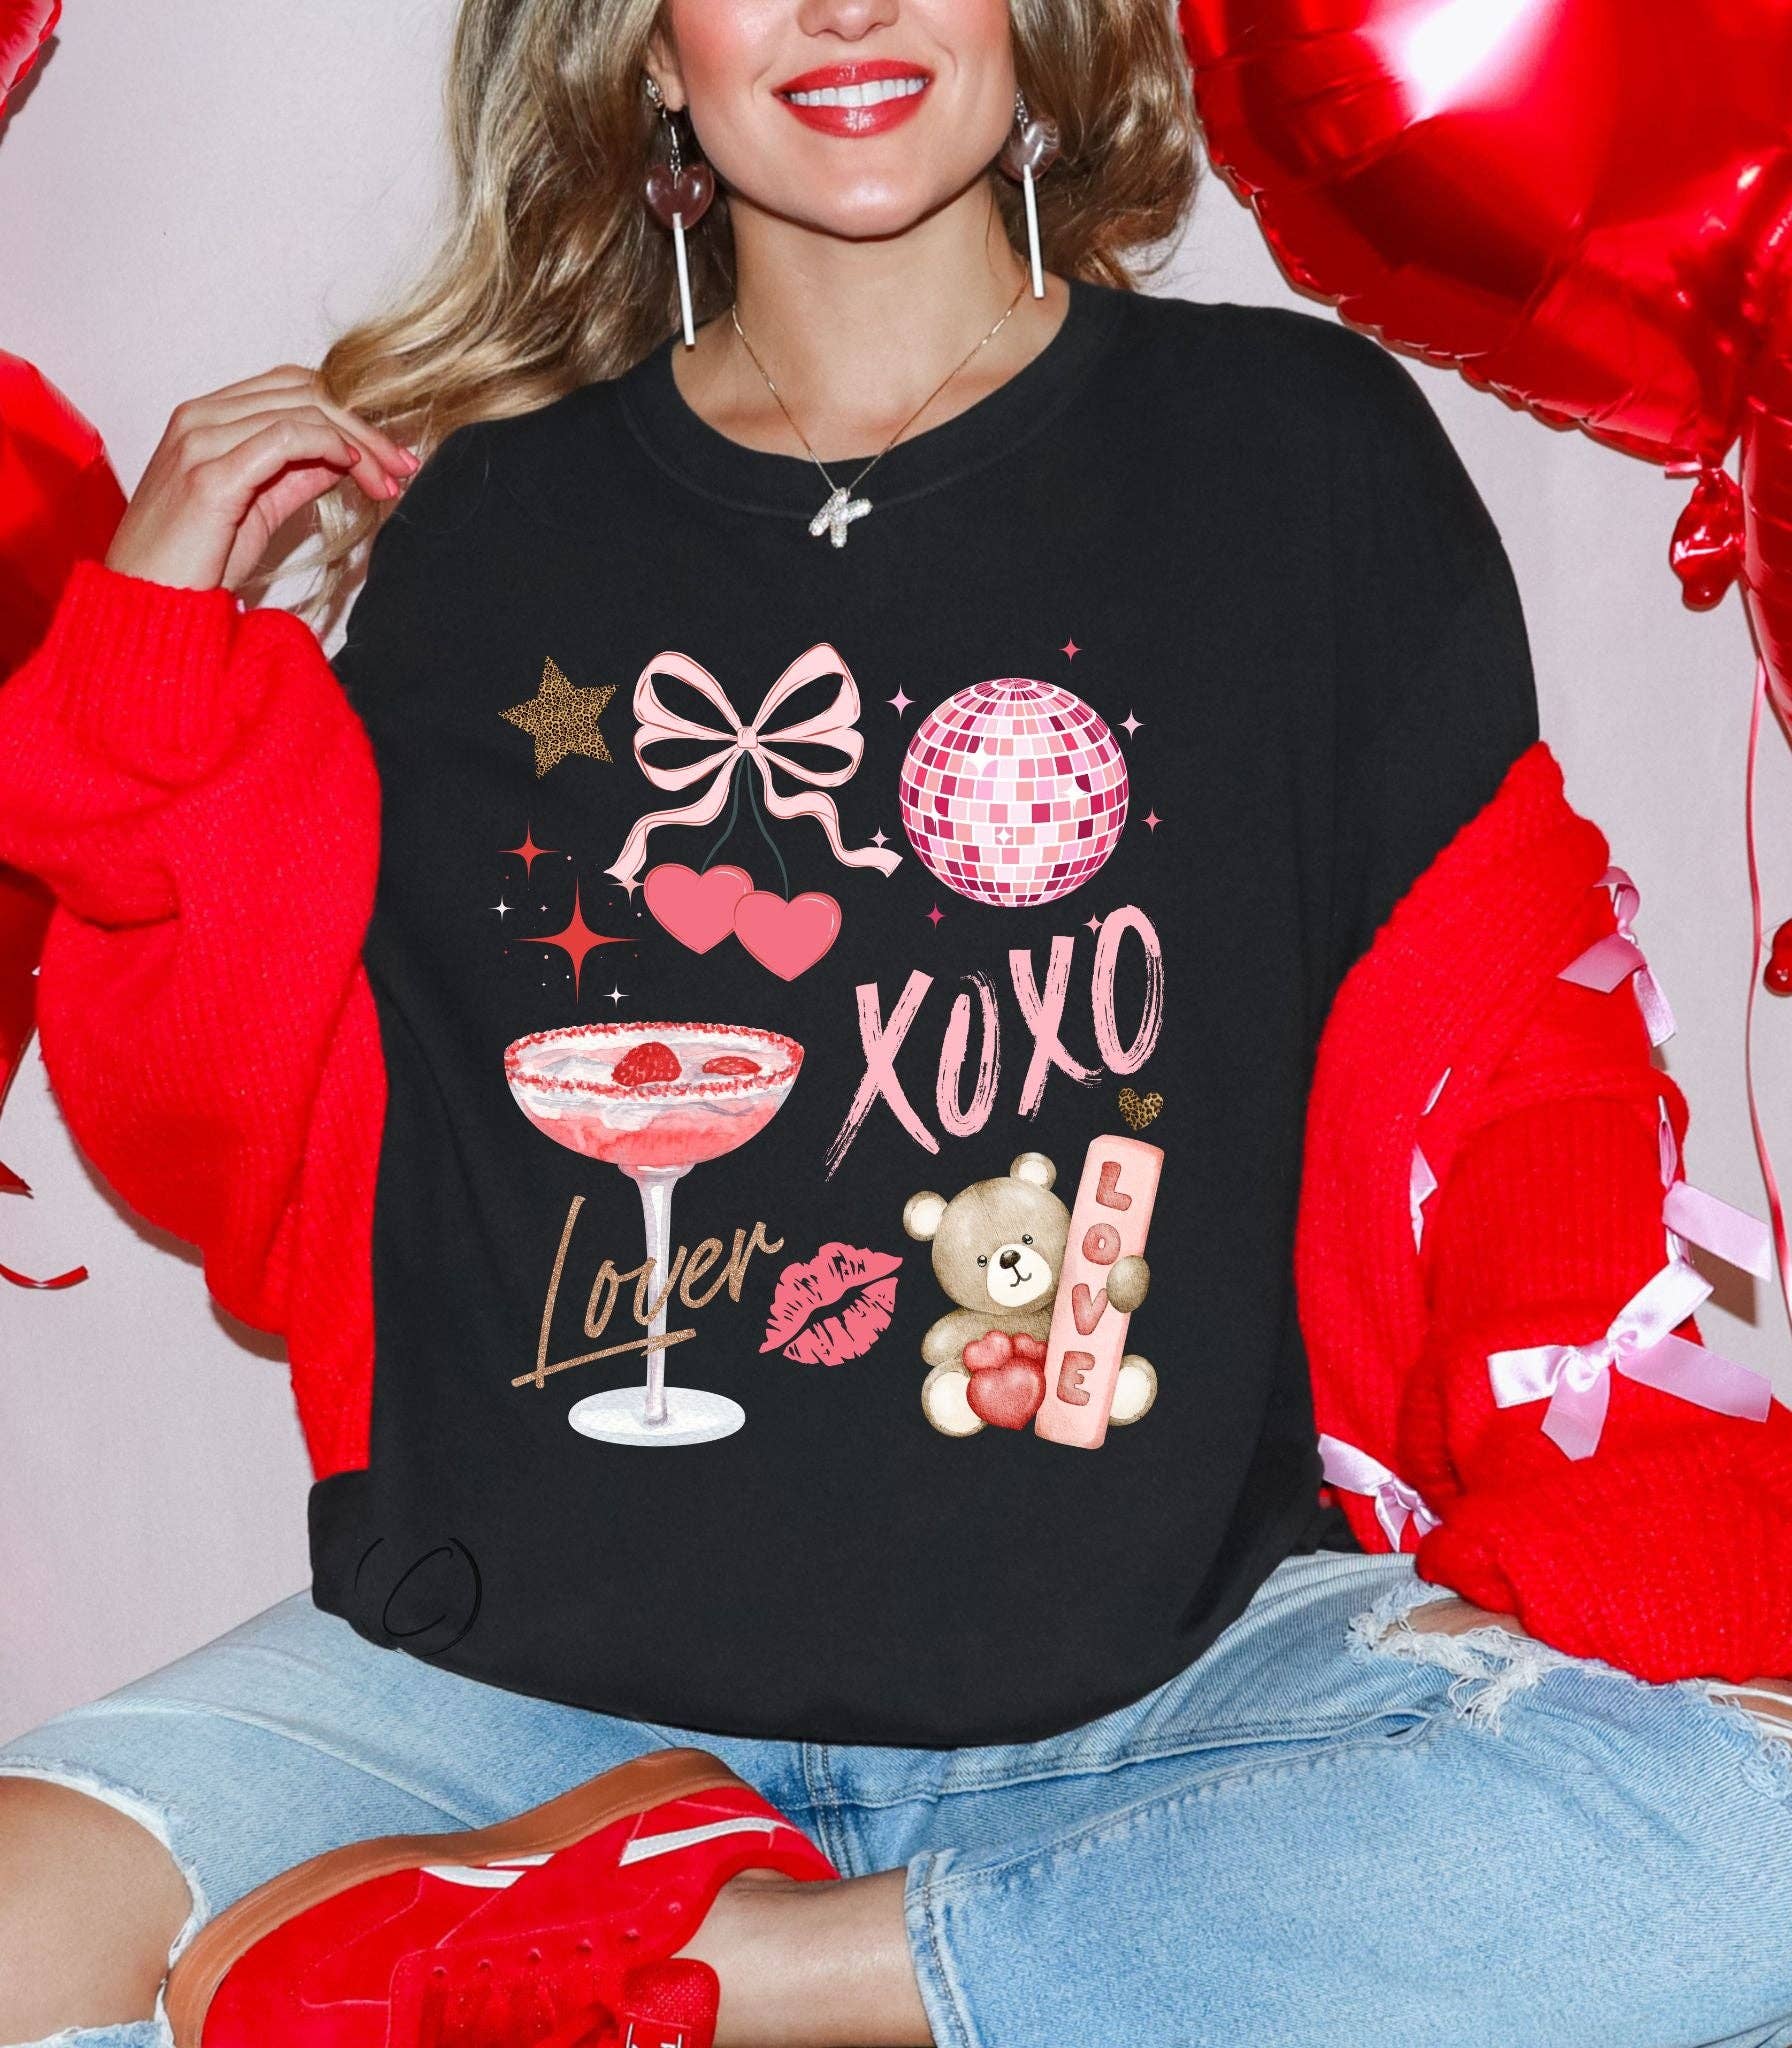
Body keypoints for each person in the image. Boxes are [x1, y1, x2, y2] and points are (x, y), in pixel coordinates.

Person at [1, 1, 1789, 2043]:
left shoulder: (1293, 451)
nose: (845, 10)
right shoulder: (493, 527)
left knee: (1758, 1839)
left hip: (1159, 1693)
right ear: (650, 51)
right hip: (517, 1704)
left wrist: (1622, 1496)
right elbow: (242, 1150)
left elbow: (1507, 1038)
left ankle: (747, 1970)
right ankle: (897, 1956)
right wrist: (148, 662)